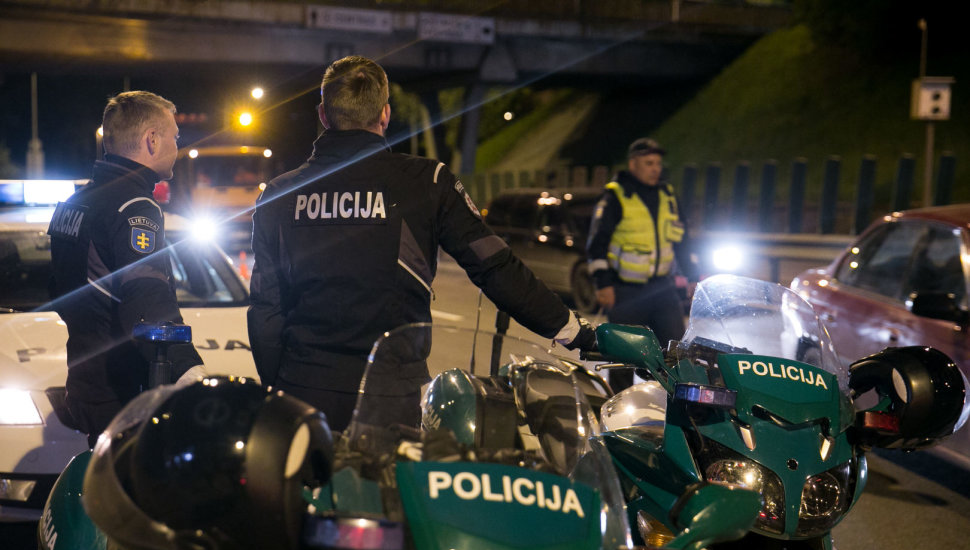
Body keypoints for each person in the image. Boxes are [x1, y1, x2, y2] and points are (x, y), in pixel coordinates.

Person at [248, 55, 595, 432]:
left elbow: (266, 308)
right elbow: (494, 266)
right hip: (392, 397)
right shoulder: (426, 182)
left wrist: (279, 386)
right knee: (393, 491)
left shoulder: (280, 194)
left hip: (303, 390)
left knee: (308, 492)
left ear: (323, 114)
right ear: (385, 114)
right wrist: (572, 330)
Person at [48, 90, 206, 447]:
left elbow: (59, 292)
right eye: (174, 137)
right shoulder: (135, 205)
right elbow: (145, 298)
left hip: (86, 381)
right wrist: (187, 369)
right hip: (127, 391)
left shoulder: (76, 202)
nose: (177, 147)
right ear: (151, 139)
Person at [586, 137, 698, 390]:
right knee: (624, 358)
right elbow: (596, 244)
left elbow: (683, 241)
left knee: (676, 356)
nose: (655, 168)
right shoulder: (616, 196)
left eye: (658, 163)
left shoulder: (668, 196)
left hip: (662, 289)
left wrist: (692, 276)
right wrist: (603, 284)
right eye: (649, 163)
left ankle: (675, 412)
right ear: (633, 164)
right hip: (626, 292)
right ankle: (620, 413)